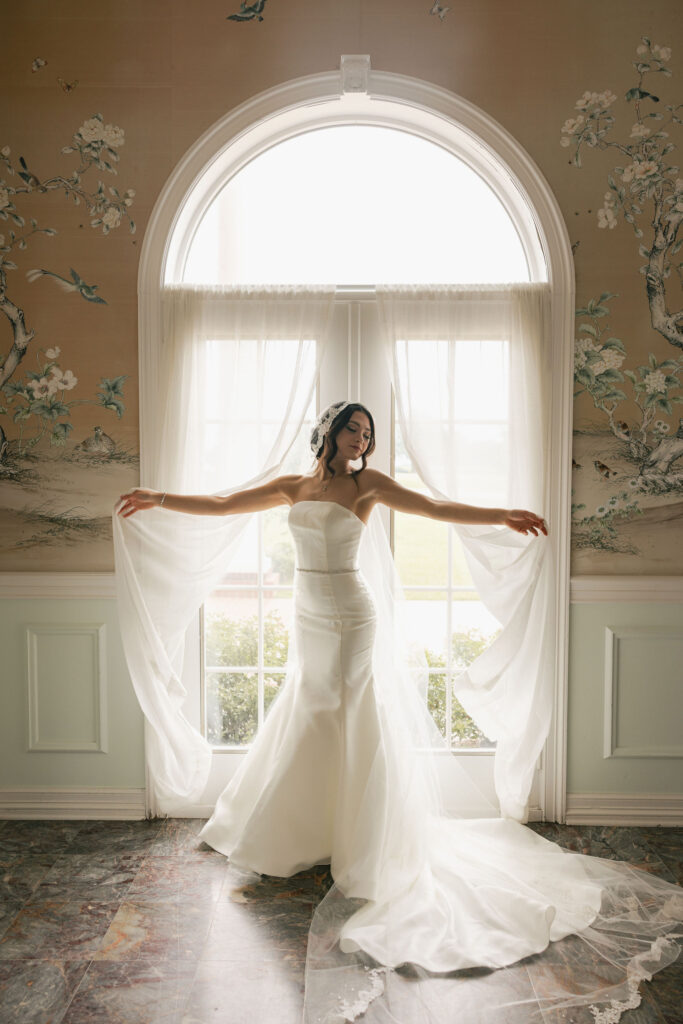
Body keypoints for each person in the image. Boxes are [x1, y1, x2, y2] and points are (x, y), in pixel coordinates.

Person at [116, 401, 681, 1024]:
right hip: (307, 613)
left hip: (350, 613)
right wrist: (158, 496)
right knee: (309, 713)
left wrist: (500, 516)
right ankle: (307, 827)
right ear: (329, 432)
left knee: (348, 713)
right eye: (353, 428)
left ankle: (362, 835)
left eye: (368, 432)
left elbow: (435, 510)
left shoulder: (368, 486)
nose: (361, 439)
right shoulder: (293, 486)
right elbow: (224, 507)